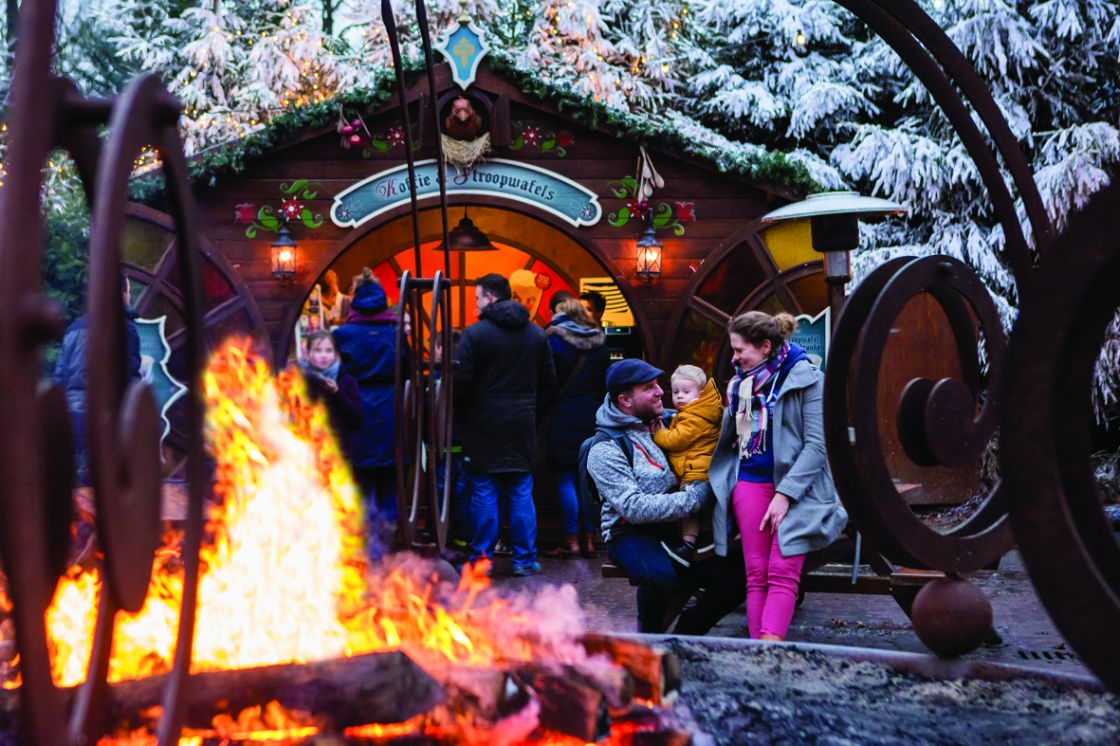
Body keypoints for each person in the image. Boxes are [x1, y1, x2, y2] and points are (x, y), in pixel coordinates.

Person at [709, 311, 848, 641]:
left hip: (798, 489)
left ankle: (770, 651)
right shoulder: (740, 385)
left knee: (783, 570)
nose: (735, 358)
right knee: (756, 573)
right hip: (750, 483)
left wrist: (785, 495)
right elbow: (736, 439)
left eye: (740, 350)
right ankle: (760, 656)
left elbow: (817, 445)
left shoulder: (809, 378)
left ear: (765, 346)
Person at [587, 359, 745, 633]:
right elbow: (633, 508)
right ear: (625, 400)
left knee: (739, 577)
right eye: (649, 388)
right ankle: (649, 638)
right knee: (660, 576)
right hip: (629, 532)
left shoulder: (673, 421)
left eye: (658, 384)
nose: (661, 391)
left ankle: (687, 635)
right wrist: (697, 498)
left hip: (678, 529)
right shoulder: (605, 448)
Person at [455, 273, 556, 577]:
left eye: (476, 298)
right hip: (522, 425)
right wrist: (532, 413)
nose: (475, 303)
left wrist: (465, 415)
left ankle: (482, 558)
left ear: (488, 297)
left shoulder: (475, 335)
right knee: (521, 492)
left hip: (484, 425)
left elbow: (461, 383)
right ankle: (524, 559)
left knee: (484, 491)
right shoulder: (536, 335)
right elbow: (549, 383)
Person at [333, 269, 401, 543]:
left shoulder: (343, 334)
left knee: (359, 482)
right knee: (388, 483)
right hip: (390, 409)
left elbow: (334, 371)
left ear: (355, 298)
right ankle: (387, 545)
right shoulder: (394, 333)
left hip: (356, 405)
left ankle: (362, 545)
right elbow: (406, 367)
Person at [54, 276, 142, 487]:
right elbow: (128, 377)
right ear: (121, 293)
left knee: (76, 485)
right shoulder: (125, 329)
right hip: (106, 418)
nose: (130, 295)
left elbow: (59, 375)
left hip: (74, 415)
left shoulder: (75, 328)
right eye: (128, 290)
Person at [544, 298, 611, 558]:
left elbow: (548, 380)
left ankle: (571, 540)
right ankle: (591, 539)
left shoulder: (555, 341)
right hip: (591, 416)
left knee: (565, 478)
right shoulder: (600, 342)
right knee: (589, 480)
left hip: (563, 413)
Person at [651, 364, 722, 566]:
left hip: (696, 473)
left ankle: (687, 545)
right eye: (675, 392)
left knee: (689, 511)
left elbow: (677, 440)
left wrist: (658, 434)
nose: (679, 396)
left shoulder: (695, 417)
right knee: (700, 512)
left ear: (700, 394)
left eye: (686, 392)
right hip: (697, 470)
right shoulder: (696, 412)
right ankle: (704, 541)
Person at [299, 330, 362, 459]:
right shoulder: (300, 381)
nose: (323, 355)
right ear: (308, 354)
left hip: (339, 453)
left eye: (328, 350)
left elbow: (357, 419)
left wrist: (337, 393)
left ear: (335, 354)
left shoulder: (346, 381)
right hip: (309, 454)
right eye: (317, 350)